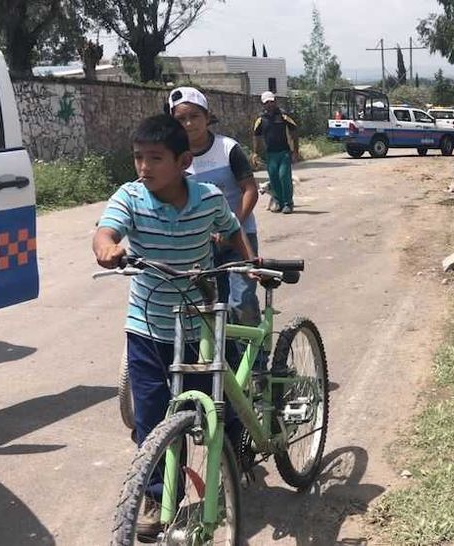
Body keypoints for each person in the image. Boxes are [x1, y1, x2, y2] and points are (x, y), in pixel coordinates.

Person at [92, 114, 255, 538]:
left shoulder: (208, 198)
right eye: (138, 158)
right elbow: (105, 232)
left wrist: (248, 262)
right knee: (151, 419)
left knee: (224, 404)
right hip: (147, 327)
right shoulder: (130, 197)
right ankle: (157, 494)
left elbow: (233, 230)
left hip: (201, 321)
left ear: (184, 161)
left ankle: (231, 461)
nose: (144, 167)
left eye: (155, 159)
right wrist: (108, 247)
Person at [168, 86, 261, 327]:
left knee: (241, 301)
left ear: (207, 117)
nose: (188, 124)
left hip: (238, 235)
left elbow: (250, 189)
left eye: (194, 116)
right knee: (212, 306)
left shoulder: (228, 149)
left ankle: (255, 359)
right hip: (201, 243)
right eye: (181, 119)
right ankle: (227, 359)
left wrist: (232, 225)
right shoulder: (171, 156)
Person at [252, 91, 300, 213]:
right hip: (270, 154)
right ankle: (278, 201)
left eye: (272, 101)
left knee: (284, 176)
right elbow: (256, 136)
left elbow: (294, 132)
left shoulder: (283, 116)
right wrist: (255, 153)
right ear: (263, 104)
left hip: (284, 152)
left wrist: (295, 151)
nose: (270, 104)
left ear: (275, 102)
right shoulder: (261, 120)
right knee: (274, 178)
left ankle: (288, 203)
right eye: (267, 102)